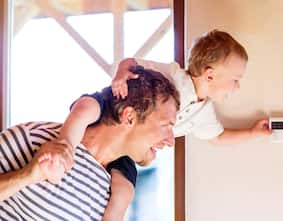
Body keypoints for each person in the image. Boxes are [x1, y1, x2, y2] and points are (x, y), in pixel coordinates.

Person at [42, 29, 273, 218]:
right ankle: (63, 148)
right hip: (110, 111)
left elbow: (218, 137)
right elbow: (131, 62)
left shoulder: (204, 112)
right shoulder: (171, 75)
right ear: (209, 75)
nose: (237, 87)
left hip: (129, 149)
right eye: (235, 80)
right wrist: (120, 76)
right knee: (85, 109)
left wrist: (253, 132)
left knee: (123, 192)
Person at [0, 68, 180, 221]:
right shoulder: (33, 138)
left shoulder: (115, 192)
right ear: (129, 117)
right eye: (166, 126)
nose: (172, 141)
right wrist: (27, 176)